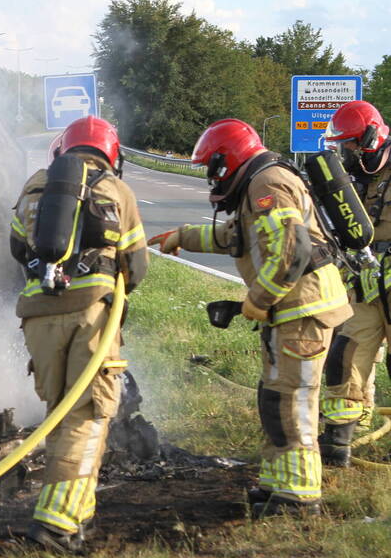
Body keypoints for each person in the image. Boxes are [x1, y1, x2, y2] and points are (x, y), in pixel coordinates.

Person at [151, 118, 351, 516]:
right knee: (276, 401)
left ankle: (297, 498)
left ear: (228, 159)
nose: (212, 178)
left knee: (292, 404)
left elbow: (292, 251)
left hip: (303, 309)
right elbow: (237, 237)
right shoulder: (257, 184)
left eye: (213, 167)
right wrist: (182, 236)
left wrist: (259, 300)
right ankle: (279, 486)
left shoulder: (268, 185)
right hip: (293, 310)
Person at [11, 115, 148, 553]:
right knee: (87, 413)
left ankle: (78, 511)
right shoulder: (115, 189)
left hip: (37, 317)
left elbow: (16, 248)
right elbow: (137, 267)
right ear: (111, 153)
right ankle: (57, 524)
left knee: (61, 412)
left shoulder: (34, 185)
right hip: (90, 316)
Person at [318, 101, 391, 467]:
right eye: (342, 146)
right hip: (366, 281)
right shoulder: (355, 179)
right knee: (345, 354)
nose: (346, 153)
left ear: (371, 136)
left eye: (350, 145)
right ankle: (338, 440)